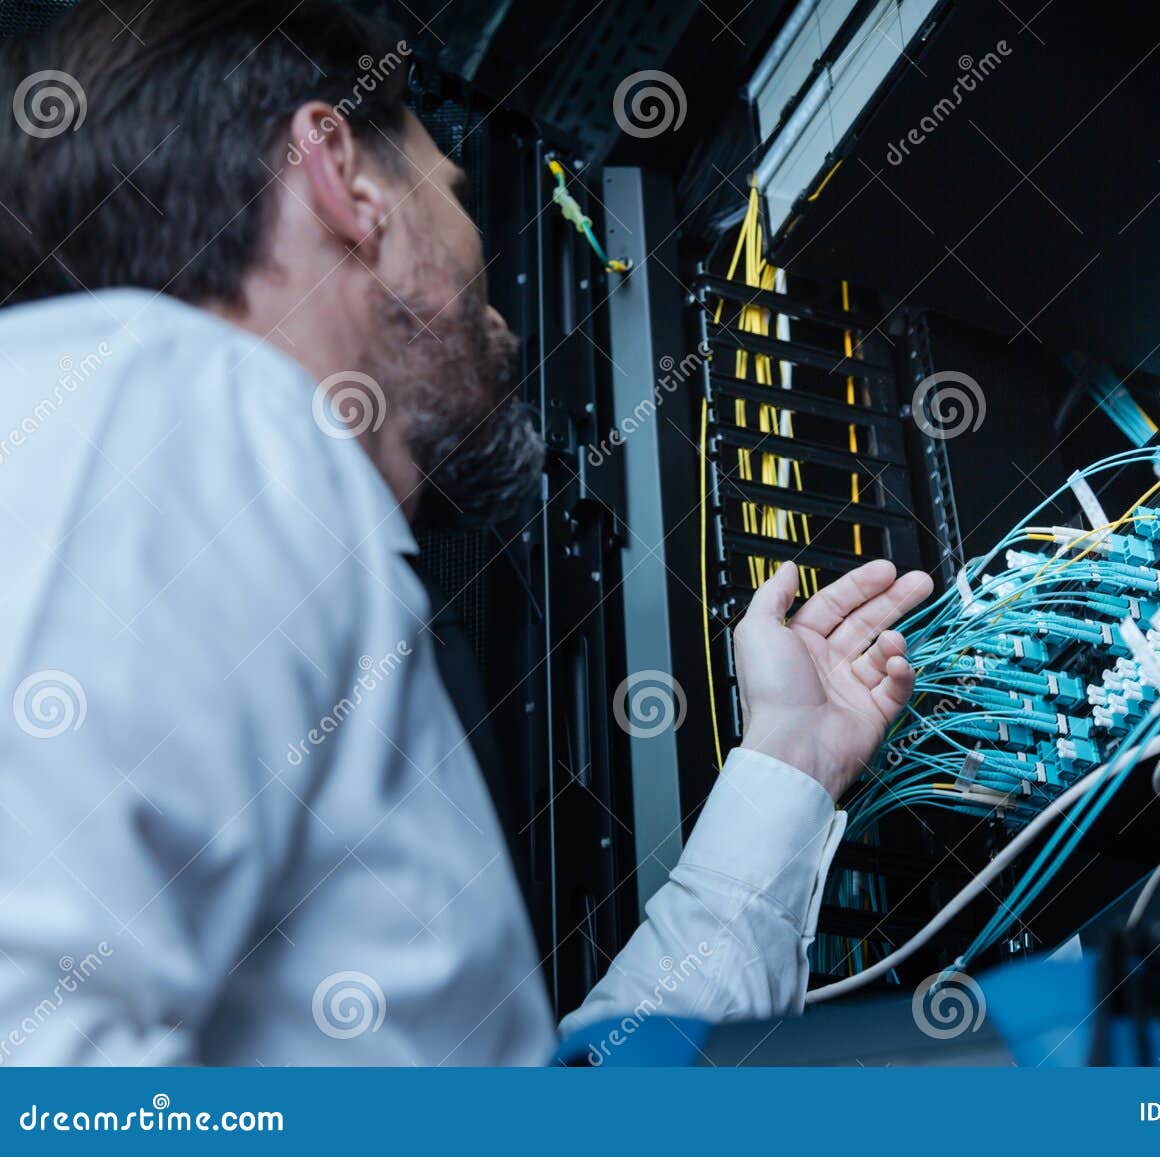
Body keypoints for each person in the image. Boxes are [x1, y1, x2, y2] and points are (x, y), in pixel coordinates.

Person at [0, 0, 931, 1064]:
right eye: (450, 193)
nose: (495, 304)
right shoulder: (158, 405)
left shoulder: (237, 510)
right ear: (344, 180)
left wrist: (788, 759)